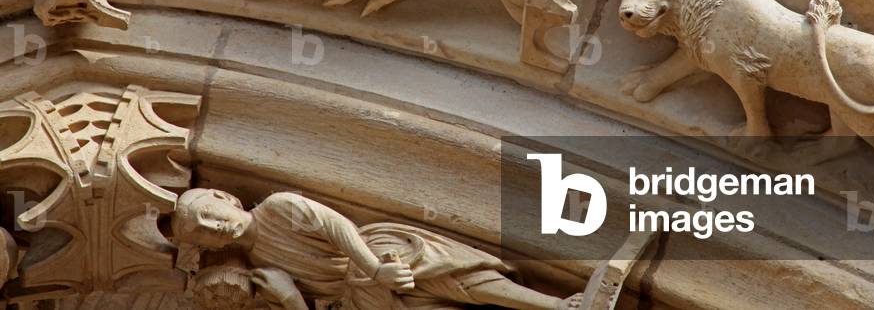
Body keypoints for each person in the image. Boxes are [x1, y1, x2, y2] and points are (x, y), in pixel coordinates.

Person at [172, 188, 582, 310]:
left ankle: (560, 307)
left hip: (376, 257)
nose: (214, 226)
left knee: (462, 281)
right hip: (363, 298)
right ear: (204, 248)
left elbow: (337, 226)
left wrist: (374, 268)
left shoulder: (277, 208)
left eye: (210, 213)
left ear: (225, 197)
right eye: (202, 233)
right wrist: (290, 298)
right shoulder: (258, 267)